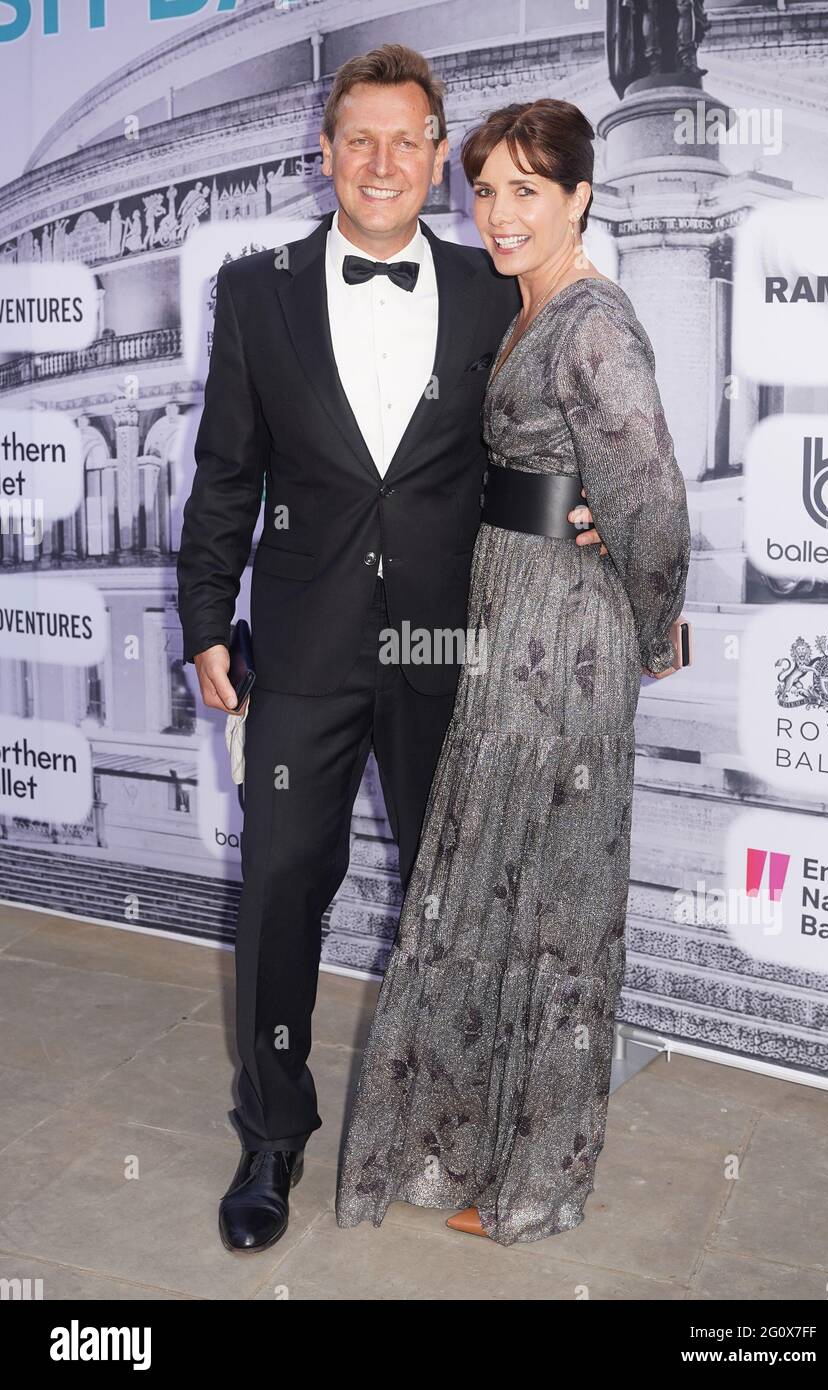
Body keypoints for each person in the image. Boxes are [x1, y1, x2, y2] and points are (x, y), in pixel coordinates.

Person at [176, 48, 607, 1254]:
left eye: (404, 139)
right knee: (275, 896)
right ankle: (272, 1132)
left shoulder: (490, 289)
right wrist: (207, 619)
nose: (379, 163)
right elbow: (226, 472)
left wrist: (585, 516)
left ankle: (450, 1121)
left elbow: (526, 452)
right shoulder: (254, 292)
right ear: (323, 154)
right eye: (354, 140)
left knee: (453, 897)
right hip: (303, 646)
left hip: (445, 642)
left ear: (435, 149)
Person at [335, 98, 692, 1246]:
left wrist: (650, 627)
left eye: (524, 190)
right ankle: (460, 1143)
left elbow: (648, 499)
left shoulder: (591, 320)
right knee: (488, 882)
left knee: (553, 904)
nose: (498, 213)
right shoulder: (521, 304)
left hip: (565, 638)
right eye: (483, 189)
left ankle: (535, 1180)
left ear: (578, 195)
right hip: (505, 614)